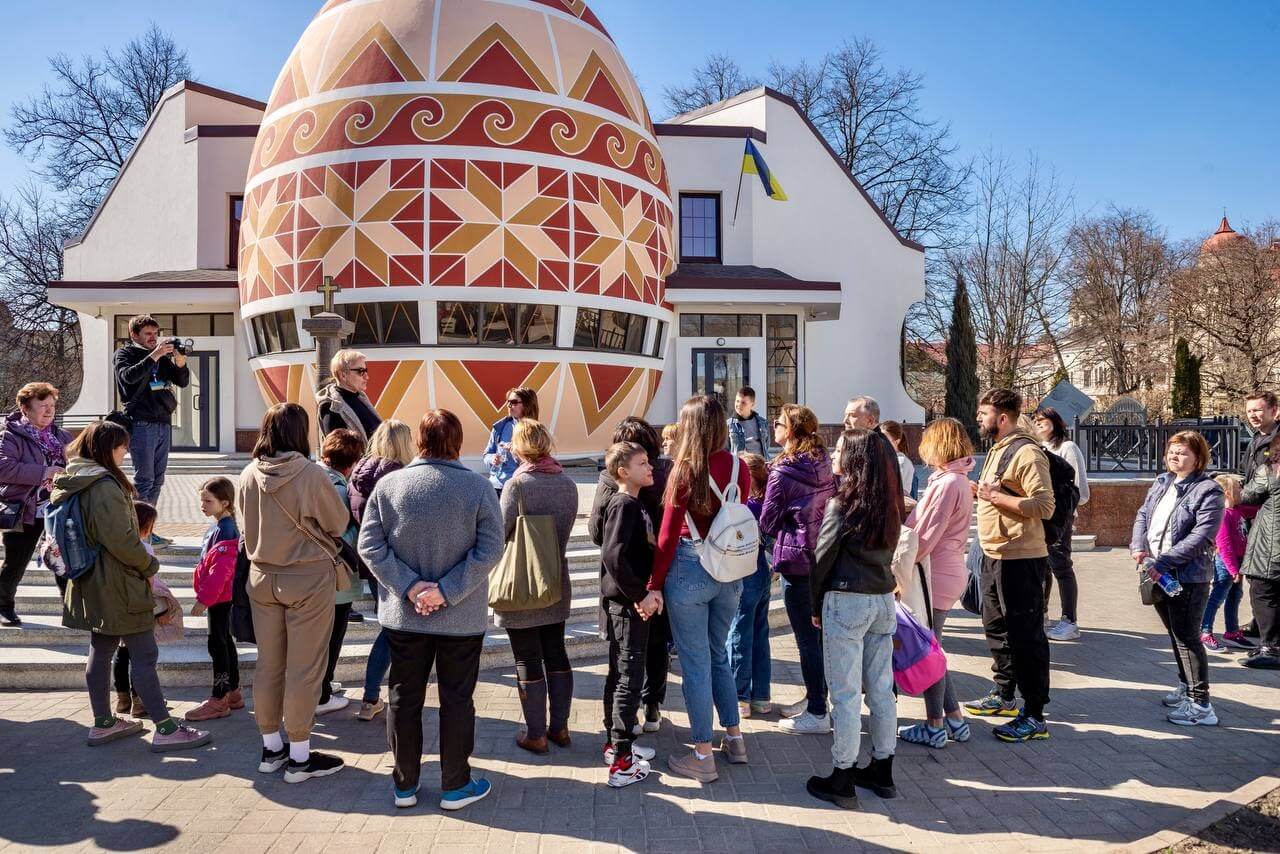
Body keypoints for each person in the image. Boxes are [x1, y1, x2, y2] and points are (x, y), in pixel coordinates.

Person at [358, 409, 504, 811]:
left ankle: (404, 785)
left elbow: (370, 546)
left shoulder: (390, 485)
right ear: (458, 441)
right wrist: (446, 590)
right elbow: (492, 548)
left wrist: (409, 587)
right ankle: (455, 784)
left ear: (419, 441)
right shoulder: (477, 488)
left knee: (404, 697)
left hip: (405, 616)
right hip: (461, 616)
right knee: (458, 699)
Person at [54, 421, 211, 752]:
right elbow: (123, 540)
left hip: (91, 581)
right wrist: (149, 565)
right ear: (106, 449)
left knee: (102, 648)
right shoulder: (103, 486)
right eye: (122, 447)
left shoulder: (76, 479)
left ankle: (103, 723)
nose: (126, 452)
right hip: (120, 583)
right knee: (144, 653)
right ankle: (166, 728)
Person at [238, 403, 351, 783]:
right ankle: (300, 755)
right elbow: (337, 522)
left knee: (269, 664)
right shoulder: (310, 474)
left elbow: (243, 525)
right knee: (305, 668)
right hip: (306, 577)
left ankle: (271, 748)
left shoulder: (248, 473)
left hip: (261, 576)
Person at [650, 395, 751, 783]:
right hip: (730, 569)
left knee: (695, 665)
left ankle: (703, 755)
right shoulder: (739, 466)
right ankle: (735, 738)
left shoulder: (684, 471)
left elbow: (666, 536)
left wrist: (653, 584)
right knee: (718, 655)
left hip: (690, 567)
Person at [806, 427, 902, 809]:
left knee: (845, 695)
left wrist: (815, 605)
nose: (834, 453)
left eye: (841, 448)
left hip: (847, 600)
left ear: (856, 459)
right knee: (881, 690)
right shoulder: (890, 503)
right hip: (881, 599)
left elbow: (822, 558)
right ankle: (883, 768)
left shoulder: (843, 504)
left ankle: (842, 776)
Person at [963, 388, 1056, 743]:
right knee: (996, 626)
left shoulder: (1028, 453)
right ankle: (1004, 694)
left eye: (983, 413)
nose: (978, 419)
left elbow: (1044, 506)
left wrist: (995, 496)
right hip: (994, 553)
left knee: (1026, 636)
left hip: (1021, 557)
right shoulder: (999, 449)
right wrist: (984, 493)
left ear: (1002, 418)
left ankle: (1034, 714)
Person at [493, 419, 579, 755]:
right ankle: (561, 728)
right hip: (556, 577)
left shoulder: (519, 485)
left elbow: (500, 533)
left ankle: (535, 733)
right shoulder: (568, 484)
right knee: (556, 651)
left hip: (524, 581)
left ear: (520, 447)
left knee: (527, 656)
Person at [1131, 431, 1225, 722]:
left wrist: (1165, 560)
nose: (1175, 457)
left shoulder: (1209, 490)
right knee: (1176, 634)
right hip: (1157, 572)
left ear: (1198, 458)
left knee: (1188, 638)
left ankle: (1201, 705)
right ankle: (1186, 687)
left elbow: (1201, 536)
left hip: (1187, 576)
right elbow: (1144, 515)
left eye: (1183, 452)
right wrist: (1138, 547)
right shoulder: (1163, 481)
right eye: (1172, 451)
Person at [587, 417, 673, 732]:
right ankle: (651, 708)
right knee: (656, 645)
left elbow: (598, 533)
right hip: (659, 576)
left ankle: (620, 725)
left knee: (623, 655)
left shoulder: (612, 481)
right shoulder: (665, 473)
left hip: (625, 583)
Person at [897, 417, 975, 749]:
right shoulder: (956, 480)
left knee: (928, 654)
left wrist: (899, 566)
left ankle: (935, 725)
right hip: (946, 570)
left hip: (934, 573)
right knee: (934, 650)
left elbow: (925, 538)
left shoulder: (946, 484)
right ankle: (954, 719)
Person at [761, 404, 836, 734]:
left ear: (789, 431)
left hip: (796, 560)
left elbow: (767, 520)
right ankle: (815, 697)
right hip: (823, 557)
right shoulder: (822, 460)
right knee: (817, 637)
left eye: (777, 423)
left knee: (806, 639)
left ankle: (818, 713)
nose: (773, 428)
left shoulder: (784, 470)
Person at [599, 441, 662, 787]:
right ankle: (621, 762)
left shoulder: (633, 504)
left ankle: (617, 744)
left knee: (622, 674)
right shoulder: (623, 504)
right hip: (626, 606)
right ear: (624, 472)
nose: (650, 467)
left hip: (631, 603)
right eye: (642, 463)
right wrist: (641, 595)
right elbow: (613, 557)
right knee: (628, 678)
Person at [348, 419, 416, 719]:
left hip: (369, 559)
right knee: (393, 630)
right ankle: (372, 695)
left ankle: (374, 696)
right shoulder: (399, 476)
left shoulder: (358, 474)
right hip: (397, 561)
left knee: (390, 627)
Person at [0, 382, 71, 626]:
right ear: (25, 408)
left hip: (57, 508)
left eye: (52, 405)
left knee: (64, 560)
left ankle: (72, 608)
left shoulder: (61, 436)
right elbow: (3, 468)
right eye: (43, 406)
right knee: (16, 561)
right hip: (24, 508)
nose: (50, 411)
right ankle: (4, 606)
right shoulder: (10, 434)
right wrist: (44, 472)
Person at [112, 315, 190, 519]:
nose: (153, 338)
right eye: (148, 333)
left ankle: (147, 525)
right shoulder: (125, 353)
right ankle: (136, 526)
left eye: (156, 334)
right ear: (134, 334)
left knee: (158, 480)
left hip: (163, 422)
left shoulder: (161, 357)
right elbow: (128, 377)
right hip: (141, 423)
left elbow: (181, 382)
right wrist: (154, 355)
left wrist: (181, 363)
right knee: (144, 479)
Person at [316, 428, 367, 716]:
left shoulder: (314, 476)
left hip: (318, 574)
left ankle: (323, 684)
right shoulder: (336, 486)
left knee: (324, 634)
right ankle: (322, 693)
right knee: (332, 634)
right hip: (334, 574)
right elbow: (337, 530)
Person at [184, 477, 243, 722]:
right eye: (201, 500)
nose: (203, 505)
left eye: (208, 501)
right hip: (221, 597)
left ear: (225, 502)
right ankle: (233, 691)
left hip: (220, 598)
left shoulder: (225, 530)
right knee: (223, 642)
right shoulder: (221, 526)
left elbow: (220, 571)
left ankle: (219, 698)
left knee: (217, 645)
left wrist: (204, 599)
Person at [1033, 407, 1090, 641]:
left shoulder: (1067, 448)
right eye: (1035, 421)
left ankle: (1069, 621)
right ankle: (1043, 614)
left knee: (1061, 566)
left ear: (1055, 423)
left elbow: (1079, 489)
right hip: (1040, 518)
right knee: (1042, 567)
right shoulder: (1037, 449)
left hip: (1060, 517)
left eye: (1043, 421)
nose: (1038, 426)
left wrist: (1065, 511)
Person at [730, 452, 774, 719]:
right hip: (761, 570)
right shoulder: (764, 502)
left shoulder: (743, 504)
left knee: (739, 633)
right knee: (760, 633)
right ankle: (761, 697)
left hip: (743, 570)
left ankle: (739, 696)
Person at [1239, 390, 1278, 641]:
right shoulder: (1256, 438)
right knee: (1259, 578)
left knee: (1264, 579)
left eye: (1258, 410)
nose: (1253, 415)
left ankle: (1270, 640)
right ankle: (1261, 624)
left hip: (1268, 513)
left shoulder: (1276, 441)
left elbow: (1266, 481)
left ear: (1274, 411)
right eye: (1250, 410)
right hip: (1255, 512)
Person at [1238, 447, 1280, 669]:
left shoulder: (1271, 470)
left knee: (1263, 591)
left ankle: (1271, 648)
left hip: (1271, 544)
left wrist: (1232, 487)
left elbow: (1249, 495)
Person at [1201, 475, 1253, 653]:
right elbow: (1224, 545)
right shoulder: (1223, 515)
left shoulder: (1237, 510)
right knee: (1217, 597)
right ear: (1227, 493)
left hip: (1237, 563)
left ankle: (1232, 632)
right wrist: (1233, 569)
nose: (1242, 493)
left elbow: (1254, 508)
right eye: (1239, 490)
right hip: (1226, 563)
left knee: (1235, 596)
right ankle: (1205, 631)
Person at [483, 387, 539, 494]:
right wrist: (492, 459)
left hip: (521, 487)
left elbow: (538, 462)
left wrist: (515, 450)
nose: (508, 406)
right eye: (508, 402)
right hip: (497, 485)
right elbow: (486, 454)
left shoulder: (536, 431)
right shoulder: (500, 427)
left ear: (527, 404)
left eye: (513, 402)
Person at [317, 350, 380, 442]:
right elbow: (336, 450)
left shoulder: (360, 397)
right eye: (360, 371)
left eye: (366, 370)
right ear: (343, 375)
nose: (366, 377)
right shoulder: (331, 406)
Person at [727, 386, 770, 456]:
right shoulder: (729, 425)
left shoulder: (763, 423)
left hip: (760, 464)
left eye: (743, 403)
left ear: (752, 404)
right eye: (737, 401)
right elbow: (726, 450)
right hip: (740, 465)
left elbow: (766, 446)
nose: (739, 405)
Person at [880, 420, 918, 500]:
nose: (880, 442)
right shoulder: (886, 458)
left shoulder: (901, 461)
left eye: (885, 439)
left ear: (897, 442)